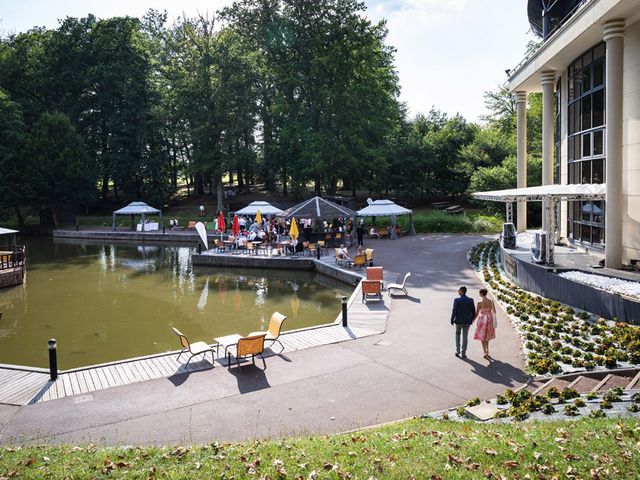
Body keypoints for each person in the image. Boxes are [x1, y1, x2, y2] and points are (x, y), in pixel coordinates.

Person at [450, 286, 475, 359]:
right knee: (465, 336)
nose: (458, 291)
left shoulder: (457, 300)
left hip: (458, 321)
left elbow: (454, 311)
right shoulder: (471, 300)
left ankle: (457, 350)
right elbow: (473, 311)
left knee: (457, 334)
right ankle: (463, 352)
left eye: (459, 290)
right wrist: (471, 319)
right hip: (467, 321)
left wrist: (452, 319)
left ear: (462, 291)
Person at [474, 288, 497, 359]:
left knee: (482, 336)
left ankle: (485, 352)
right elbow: (494, 311)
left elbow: (477, 313)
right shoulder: (491, 301)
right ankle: (487, 351)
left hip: (482, 320)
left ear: (481, 294)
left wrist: (473, 319)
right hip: (489, 319)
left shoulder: (479, 302)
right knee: (487, 336)